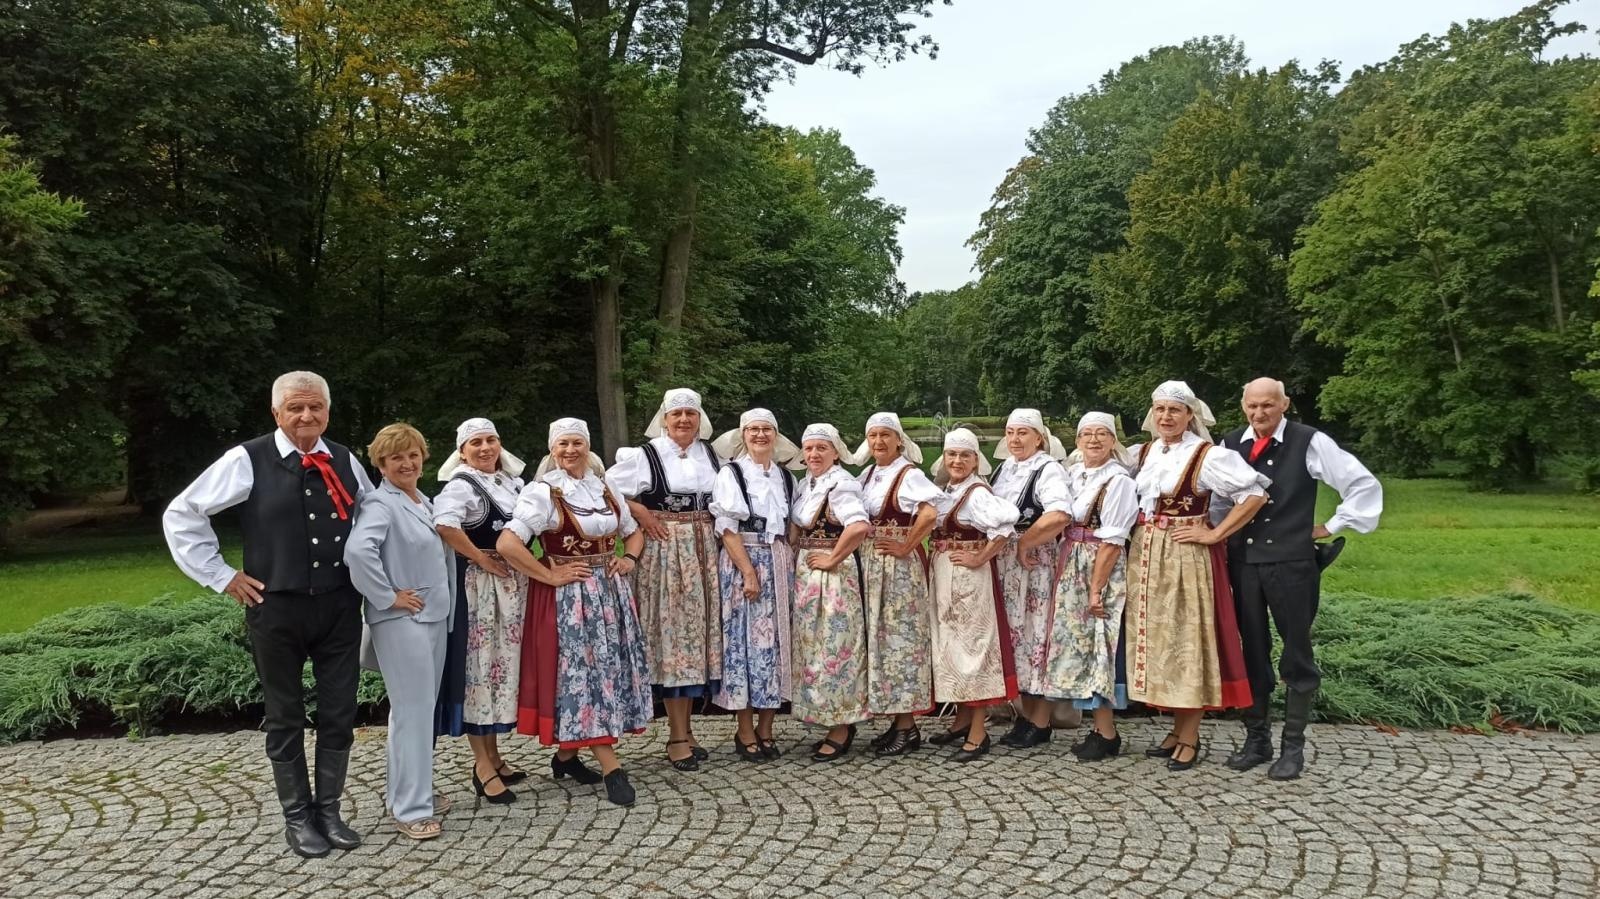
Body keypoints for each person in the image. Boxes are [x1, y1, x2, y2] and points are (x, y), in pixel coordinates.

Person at [163, 371, 373, 858]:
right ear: (276, 412)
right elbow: (183, 512)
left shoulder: (343, 459)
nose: (307, 416)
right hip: (274, 608)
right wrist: (222, 576)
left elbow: (372, 516)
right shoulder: (248, 458)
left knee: (339, 711)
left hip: (340, 606)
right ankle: (297, 818)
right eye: (296, 408)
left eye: (315, 407)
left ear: (327, 411)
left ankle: (330, 812)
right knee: (286, 715)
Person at [1216, 377, 1383, 780]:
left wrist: (1330, 525)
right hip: (1244, 563)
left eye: (1268, 405)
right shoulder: (1229, 444)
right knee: (1251, 649)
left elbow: (1362, 484)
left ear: (1284, 404)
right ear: (1244, 406)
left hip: (1292, 564)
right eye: (1253, 406)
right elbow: (1218, 500)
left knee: (1296, 650)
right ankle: (1257, 739)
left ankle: (1293, 747)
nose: (1260, 413)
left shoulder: (1310, 441)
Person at [497, 418, 651, 807]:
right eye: (563, 444)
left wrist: (629, 557)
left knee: (608, 673)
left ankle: (567, 756)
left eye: (577, 443)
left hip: (611, 594)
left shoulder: (604, 486)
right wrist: (548, 574)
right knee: (585, 677)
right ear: (552, 449)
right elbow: (508, 544)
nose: (570, 450)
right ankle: (612, 768)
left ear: (588, 446)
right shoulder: (543, 492)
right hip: (571, 602)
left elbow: (633, 531)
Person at [1127, 380, 1267, 771]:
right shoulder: (1145, 452)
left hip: (1186, 556)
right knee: (1161, 644)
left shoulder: (1207, 455)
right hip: (1147, 555)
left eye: (1175, 410)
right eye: (1160, 410)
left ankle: (1189, 735)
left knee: (1187, 641)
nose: (1166, 417)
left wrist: (1215, 533)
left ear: (1190, 415)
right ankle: (1174, 730)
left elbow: (1255, 493)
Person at [344, 423, 457, 841]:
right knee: (413, 713)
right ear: (381, 463)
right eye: (396, 458)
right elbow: (357, 551)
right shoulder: (380, 503)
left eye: (412, 454)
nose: (407, 463)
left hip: (430, 616)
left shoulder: (422, 500)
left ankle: (412, 791)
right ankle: (411, 809)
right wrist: (387, 596)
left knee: (412, 712)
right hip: (402, 620)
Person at [607, 388, 725, 771]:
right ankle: (676, 737)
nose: (684, 421)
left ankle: (687, 731)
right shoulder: (645, 455)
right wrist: (641, 511)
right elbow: (607, 489)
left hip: (705, 549)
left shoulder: (711, 454)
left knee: (697, 639)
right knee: (676, 641)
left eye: (691, 414)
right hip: (667, 551)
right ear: (664, 419)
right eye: (677, 415)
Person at [432, 418, 530, 802]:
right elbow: (444, 525)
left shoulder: (510, 482)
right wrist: (480, 558)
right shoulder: (461, 484)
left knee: (498, 669)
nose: (486, 448)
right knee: (479, 671)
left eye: (491, 440)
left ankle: (495, 756)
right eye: (476, 443)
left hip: (511, 586)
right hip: (480, 589)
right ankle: (482, 766)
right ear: (462, 451)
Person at [708, 409, 801, 761]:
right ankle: (744, 730)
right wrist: (748, 572)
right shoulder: (732, 474)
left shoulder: (786, 478)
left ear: (775, 436)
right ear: (743, 435)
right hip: (744, 562)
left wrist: (787, 555)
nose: (760, 435)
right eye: (753, 430)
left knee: (776, 647)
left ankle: (766, 728)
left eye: (767, 429)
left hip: (779, 563)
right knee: (745, 646)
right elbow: (727, 528)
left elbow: (793, 524)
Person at [1045, 413, 1138, 762]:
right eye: (1087, 435)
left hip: (1098, 563)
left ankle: (1107, 731)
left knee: (1101, 643)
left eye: (1102, 435)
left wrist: (1096, 588)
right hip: (1072, 561)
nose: (1094, 441)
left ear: (1114, 441)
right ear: (1078, 441)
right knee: (1082, 646)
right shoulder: (1074, 475)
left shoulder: (1118, 482)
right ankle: (1096, 728)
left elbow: (1113, 541)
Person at [925, 428, 1020, 762]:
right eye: (952, 454)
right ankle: (962, 721)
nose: (957, 461)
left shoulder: (976, 492)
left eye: (965, 455)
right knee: (951, 649)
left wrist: (980, 557)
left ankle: (979, 734)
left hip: (969, 579)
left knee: (972, 650)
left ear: (976, 460)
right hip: (946, 575)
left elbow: (1005, 527)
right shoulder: (948, 490)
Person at [854, 412, 946, 756]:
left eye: (885, 436)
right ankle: (896, 720)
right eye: (873, 435)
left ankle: (908, 726)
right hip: (870, 564)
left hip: (896, 569)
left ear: (898, 440)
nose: (878, 442)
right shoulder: (867, 475)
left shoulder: (908, 475)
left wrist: (907, 544)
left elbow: (930, 513)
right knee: (879, 641)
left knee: (899, 642)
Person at [988, 408, 1072, 749]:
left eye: (1023, 433)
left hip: (1034, 562)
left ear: (1040, 437)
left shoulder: (1047, 469)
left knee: (1037, 635)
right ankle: (1025, 716)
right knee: (1016, 638)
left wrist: (1025, 542)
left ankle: (1040, 721)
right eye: (1010, 432)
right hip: (1005, 562)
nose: (1015, 439)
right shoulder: (1004, 469)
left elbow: (1060, 513)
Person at [789, 424, 873, 762]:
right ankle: (827, 718)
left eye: (821, 449)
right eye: (808, 449)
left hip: (833, 578)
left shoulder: (841, 483)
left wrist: (833, 557)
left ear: (836, 451)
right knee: (814, 647)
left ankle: (842, 724)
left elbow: (859, 525)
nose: (813, 455)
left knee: (835, 646)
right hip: (808, 574)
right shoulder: (805, 483)